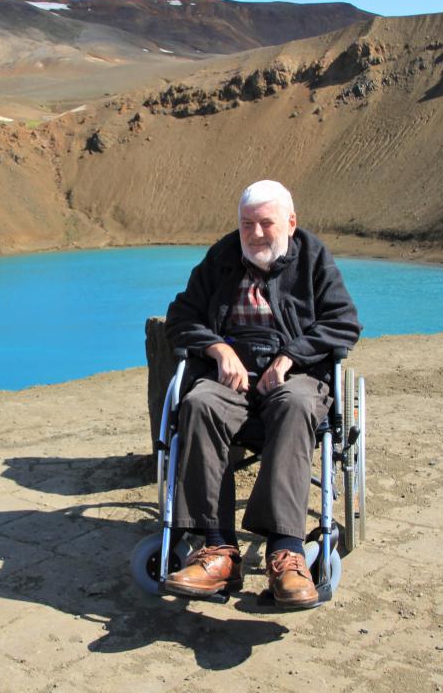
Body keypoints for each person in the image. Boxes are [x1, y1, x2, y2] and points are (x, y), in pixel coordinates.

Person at [162, 180, 361, 608]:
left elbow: (344, 323)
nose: (253, 234)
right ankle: (217, 550)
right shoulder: (222, 257)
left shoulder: (312, 257)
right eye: (246, 224)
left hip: (294, 376)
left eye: (265, 224)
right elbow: (179, 316)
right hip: (231, 377)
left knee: (296, 405)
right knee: (198, 403)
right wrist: (218, 349)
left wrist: (290, 358)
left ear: (290, 222)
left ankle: (285, 553)